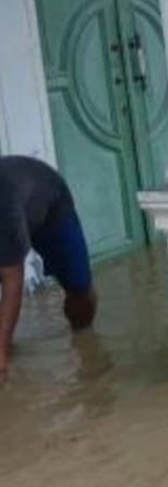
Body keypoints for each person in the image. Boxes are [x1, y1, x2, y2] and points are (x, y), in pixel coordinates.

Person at [0, 155, 97, 384]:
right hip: (18, 206)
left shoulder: (4, 206)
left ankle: (87, 344)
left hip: (51, 209)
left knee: (79, 290)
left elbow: (12, 283)